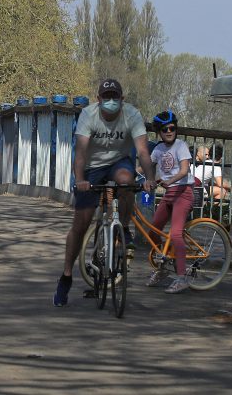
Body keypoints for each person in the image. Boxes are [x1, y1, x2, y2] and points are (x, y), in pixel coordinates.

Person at [53, 78, 155, 307]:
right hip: (91, 167)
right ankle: (66, 276)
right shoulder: (88, 116)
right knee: (81, 223)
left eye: (114, 97)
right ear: (98, 99)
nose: (110, 101)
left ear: (122, 99)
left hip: (120, 162)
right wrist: (79, 180)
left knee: (127, 182)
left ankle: (124, 228)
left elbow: (142, 151)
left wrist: (149, 178)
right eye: (106, 97)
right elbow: (80, 153)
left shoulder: (132, 115)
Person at [145, 111, 195, 294]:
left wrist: (170, 181)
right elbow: (146, 166)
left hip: (183, 193)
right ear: (159, 131)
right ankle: (163, 266)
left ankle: (181, 278)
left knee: (175, 235)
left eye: (172, 128)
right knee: (153, 231)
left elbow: (184, 170)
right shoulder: (158, 149)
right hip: (168, 195)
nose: (169, 131)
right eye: (165, 129)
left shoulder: (181, 146)